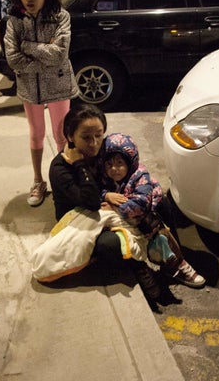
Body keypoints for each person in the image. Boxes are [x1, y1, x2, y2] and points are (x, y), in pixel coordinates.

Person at [46, 104, 163, 302]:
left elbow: (130, 167)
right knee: (108, 244)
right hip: (78, 219)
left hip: (109, 210)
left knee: (160, 204)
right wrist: (79, 164)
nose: (94, 143)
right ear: (70, 136)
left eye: (99, 135)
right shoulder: (60, 168)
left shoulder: (103, 151)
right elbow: (90, 202)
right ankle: (138, 266)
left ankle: (175, 261)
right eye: (86, 137)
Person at [5, 0, 78, 207]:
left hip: (58, 85)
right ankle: (38, 180)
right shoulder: (14, 20)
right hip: (29, 88)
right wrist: (42, 53)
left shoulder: (60, 16)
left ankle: (62, 180)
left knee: (61, 135)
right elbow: (12, 58)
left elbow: (59, 54)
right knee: (36, 135)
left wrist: (27, 45)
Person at [100, 133, 205, 288]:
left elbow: (140, 204)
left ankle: (178, 263)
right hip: (129, 215)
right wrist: (106, 195)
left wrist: (114, 205)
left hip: (149, 209)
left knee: (159, 234)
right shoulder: (107, 179)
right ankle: (144, 268)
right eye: (109, 164)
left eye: (119, 163)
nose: (114, 169)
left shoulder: (140, 175)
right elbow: (98, 192)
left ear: (130, 161)